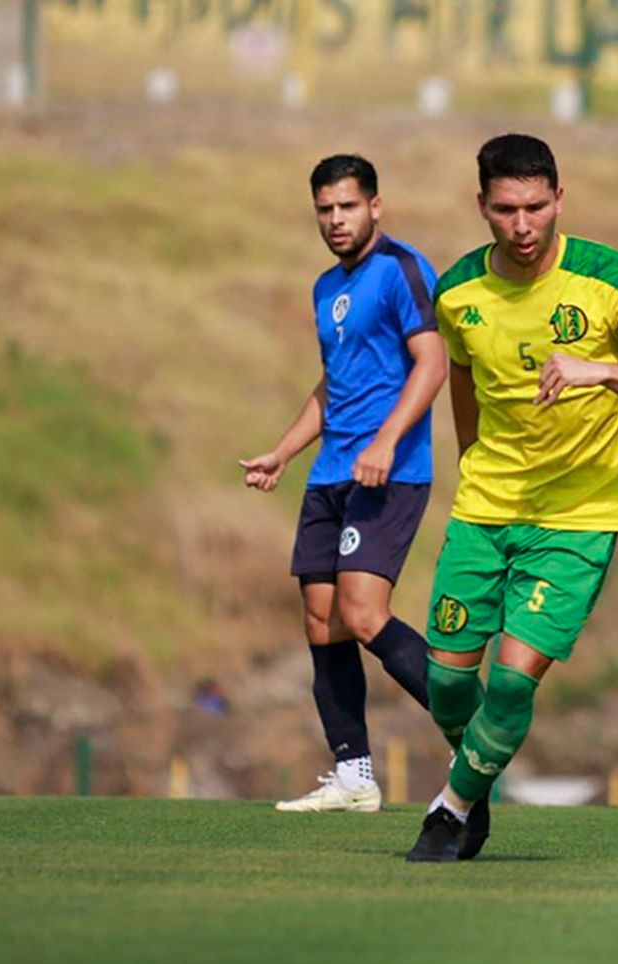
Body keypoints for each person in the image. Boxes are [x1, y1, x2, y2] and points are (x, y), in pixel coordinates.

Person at [405, 133, 618, 862]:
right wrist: (475, 460)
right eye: (506, 209)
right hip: (485, 508)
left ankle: (450, 810)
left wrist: (601, 371)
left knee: (509, 685)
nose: (523, 224)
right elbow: (466, 383)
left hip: (580, 516)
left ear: (560, 199)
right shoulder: (457, 292)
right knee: (446, 682)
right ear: (482, 206)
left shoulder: (612, 281)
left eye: (537, 206)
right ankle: (473, 785)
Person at [239, 154, 446, 813]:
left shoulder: (402, 270)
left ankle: (472, 729)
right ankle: (354, 776)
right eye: (325, 209)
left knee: (362, 615)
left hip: (391, 471)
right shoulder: (326, 287)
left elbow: (433, 362)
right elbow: (335, 385)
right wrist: (282, 451)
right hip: (333, 472)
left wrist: (387, 442)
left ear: (375, 206)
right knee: (323, 621)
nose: (335, 220)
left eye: (347, 207)